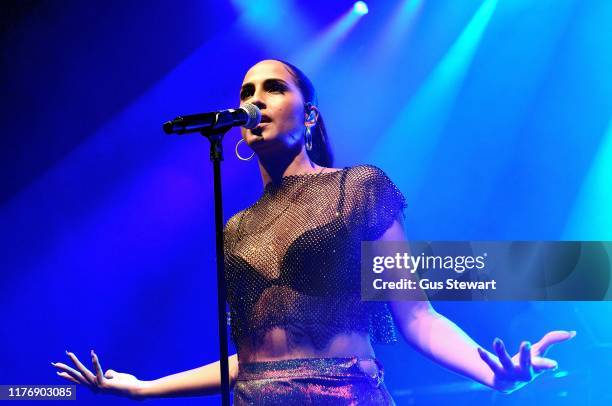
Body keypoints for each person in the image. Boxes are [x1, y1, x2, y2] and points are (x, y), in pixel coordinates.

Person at [52, 59, 576, 403]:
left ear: (309, 116)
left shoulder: (359, 188)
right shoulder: (237, 227)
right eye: (247, 92)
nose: (255, 100)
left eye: (273, 89)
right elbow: (250, 357)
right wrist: (146, 388)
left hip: (341, 395)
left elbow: (417, 315)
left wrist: (493, 372)